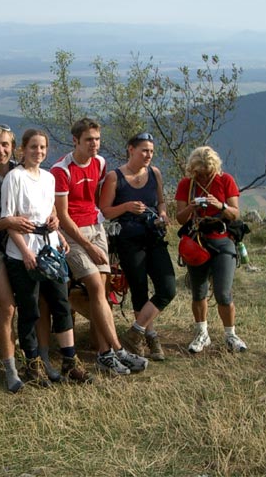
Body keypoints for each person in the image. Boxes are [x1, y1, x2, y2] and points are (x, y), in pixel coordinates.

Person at [0, 124, 61, 393]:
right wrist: (7, 222)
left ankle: (40, 359)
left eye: (5, 144)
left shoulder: (24, 170)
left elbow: (42, 197)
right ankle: (11, 369)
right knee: (8, 307)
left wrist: (53, 216)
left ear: (13, 147)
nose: (1, 150)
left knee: (41, 299)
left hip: (28, 245)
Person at [51, 117, 148, 375]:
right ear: (75, 141)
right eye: (89, 140)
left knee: (103, 291)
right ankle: (117, 349)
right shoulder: (61, 170)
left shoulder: (100, 163)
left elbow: (94, 200)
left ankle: (104, 354)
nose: (95, 144)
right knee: (94, 285)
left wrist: (100, 229)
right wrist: (88, 245)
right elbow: (62, 215)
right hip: (72, 233)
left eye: (97, 139)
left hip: (96, 227)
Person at [1, 129, 93, 386]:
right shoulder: (14, 178)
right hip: (23, 254)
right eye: (33, 147)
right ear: (23, 149)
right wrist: (26, 251)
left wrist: (57, 226)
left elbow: (49, 206)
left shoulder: (49, 177)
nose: (38, 152)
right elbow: (9, 220)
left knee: (61, 304)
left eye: (42, 148)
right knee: (29, 309)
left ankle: (70, 362)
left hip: (49, 248)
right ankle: (33, 366)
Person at [99, 132, 176, 361]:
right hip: (129, 241)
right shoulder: (115, 177)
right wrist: (126, 207)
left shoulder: (155, 174)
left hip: (154, 237)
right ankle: (149, 338)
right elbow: (104, 211)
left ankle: (136, 331)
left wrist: (162, 214)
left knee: (168, 288)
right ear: (130, 149)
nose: (148, 155)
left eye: (151, 151)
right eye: (144, 150)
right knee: (139, 290)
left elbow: (161, 201)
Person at [175, 145, 248, 353]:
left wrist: (220, 206)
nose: (204, 177)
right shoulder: (186, 184)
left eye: (208, 173)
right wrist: (191, 207)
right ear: (193, 169)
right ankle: (202, 334)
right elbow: (180, 218)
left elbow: (235, 214)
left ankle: (230, 335)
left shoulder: (225, 181)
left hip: (223, 240)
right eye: (200, 173)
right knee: (198, 292)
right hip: (197, 242)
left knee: (223, 293)